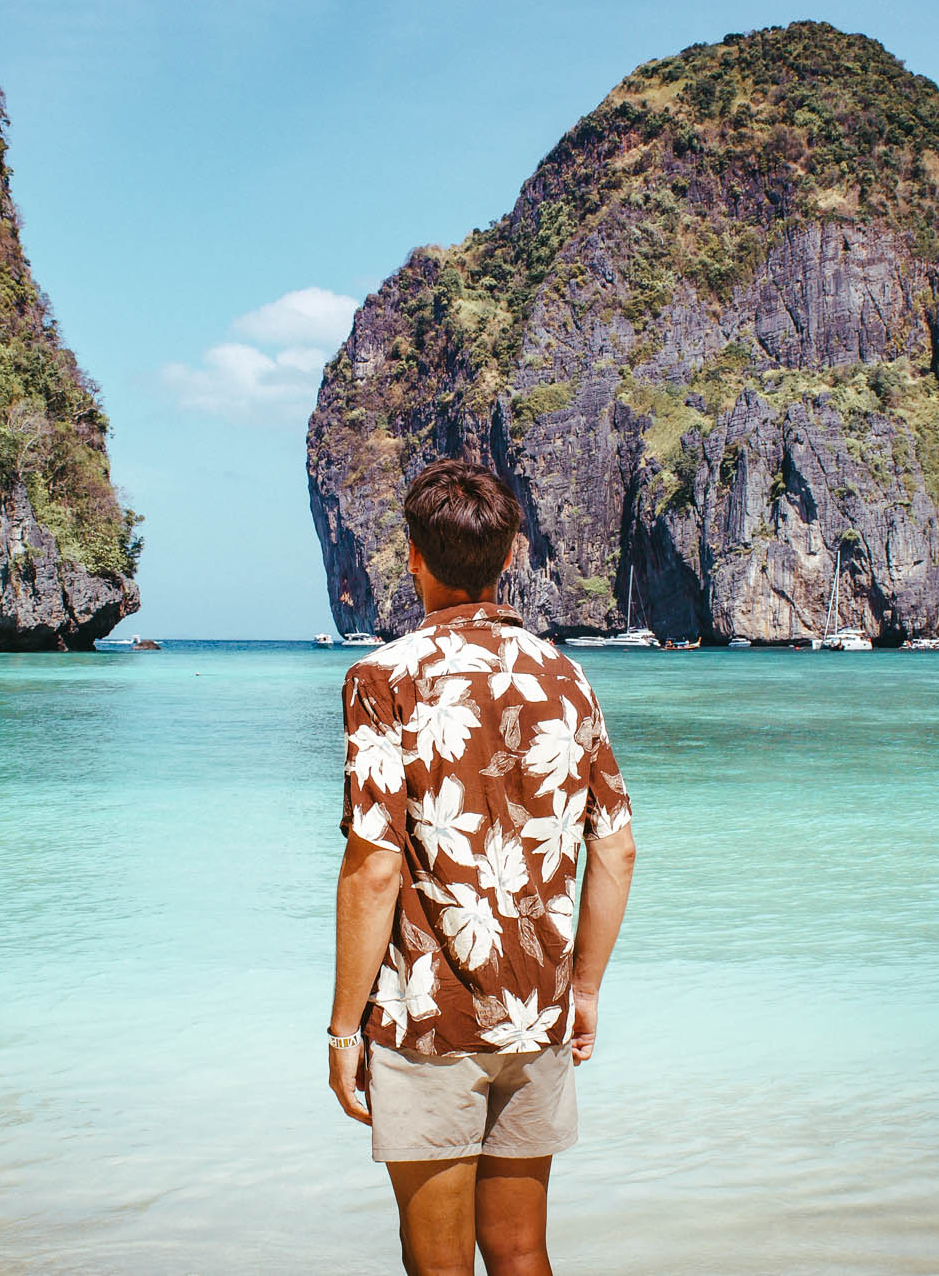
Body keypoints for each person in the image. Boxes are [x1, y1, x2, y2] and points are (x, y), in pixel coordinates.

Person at [327, 458, 636, 1276]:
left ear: (412, 556)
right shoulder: (567, 676)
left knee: (437, 1264)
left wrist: (342, 1026)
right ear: (510, 556)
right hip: (537, 1007)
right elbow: (615, 845)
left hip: (431, 1018)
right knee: (522, 1248)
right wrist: (587, 988)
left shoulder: (381, 679)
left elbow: (372, 864)